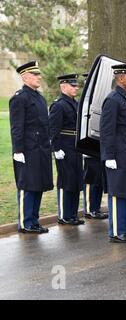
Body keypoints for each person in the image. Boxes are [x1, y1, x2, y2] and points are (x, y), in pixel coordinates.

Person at [9, 61, 53, 234]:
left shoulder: (39, 98)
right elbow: (17, 127)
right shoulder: (20, 98)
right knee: (27, 186)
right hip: (27, 150)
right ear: (25, 77)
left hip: (41, 148)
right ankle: (25, 222)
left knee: (38, 185)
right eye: (35, 75)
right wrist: (18, 150)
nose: (39, 77)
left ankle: (34, 221)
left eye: (39, 74)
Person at [100, 64, 126, 243]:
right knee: (118, 193)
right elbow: (107, 131)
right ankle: (117, 231)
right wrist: (108, 156)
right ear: (121, 78)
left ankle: (125, 228)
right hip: (117, 154)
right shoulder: (113, 100)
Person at [49, 74, 84, 226]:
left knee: (76, 181)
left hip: (75, 146)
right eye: (72, 85)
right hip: (64, 147)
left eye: (76, 85)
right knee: (65, 180)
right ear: (63, 87)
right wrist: (56, 149)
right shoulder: (59, 105)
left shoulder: (75, 104)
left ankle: (72, 214)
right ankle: (64, 215)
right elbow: (53, 129)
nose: (76, 88)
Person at [81, 73, 107, 220]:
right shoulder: (85, 102)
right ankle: (90, 208)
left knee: (98, 179)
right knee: (91, 178)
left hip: (98, 143)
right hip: (89, 145)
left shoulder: (97, 100)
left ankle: (95, 208)